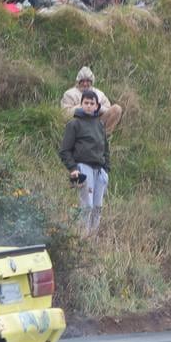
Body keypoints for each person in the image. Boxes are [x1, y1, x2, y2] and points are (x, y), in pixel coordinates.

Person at [60, 90, 111, 235]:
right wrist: (73, 168)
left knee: (97, 207)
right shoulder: (74, 124)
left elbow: (106, 149)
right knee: (86, 205)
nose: (88, 106)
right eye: (86, 103)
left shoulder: (100, 125)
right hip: (84, 167)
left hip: (100, 170)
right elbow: (65, 150)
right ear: (81, 105)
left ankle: (93, 239)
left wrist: (106, 168)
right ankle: (82, 238)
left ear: (97, 106)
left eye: (91, 103)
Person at [59, 66, 125, 133]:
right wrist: (82, 107)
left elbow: (109, 110)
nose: (85, 84)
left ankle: (104, 137)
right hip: (78, 125)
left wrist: (97, 107)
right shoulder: (69, 94)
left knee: (117, 109)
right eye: (82, 81)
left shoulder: (99, 94)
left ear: (92, 81)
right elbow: (64, 114)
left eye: (88, 81)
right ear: (78, 81)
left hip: (97, 123)